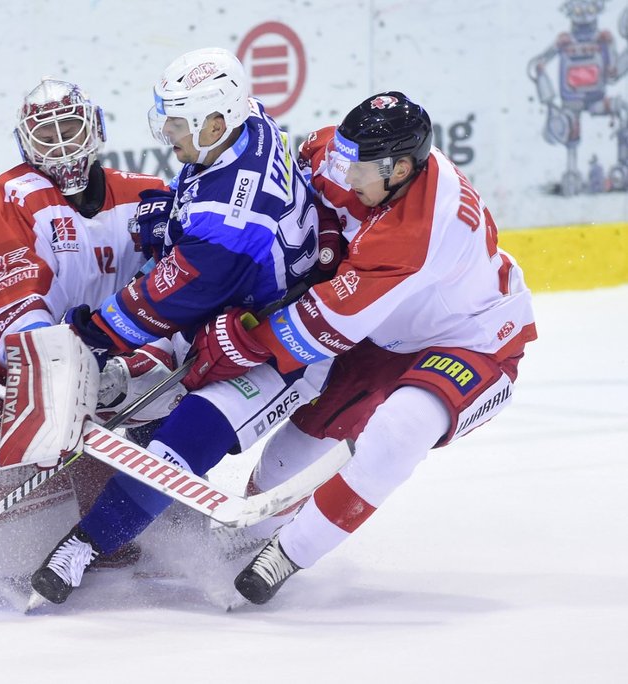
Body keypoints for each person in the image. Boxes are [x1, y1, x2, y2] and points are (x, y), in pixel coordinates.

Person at [180, 91, 538, 605]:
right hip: (387, 331)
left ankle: (291, 553)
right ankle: (251, 539)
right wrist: (321, 231)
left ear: (400, 170)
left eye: (359, 168)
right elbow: (298, 187)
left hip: (476, 340)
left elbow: (323, 324)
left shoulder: (418, 232)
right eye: (343, 158)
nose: (345, 175)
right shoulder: (343, 154)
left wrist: (244, 341)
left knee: (400, 430)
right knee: (289, 460)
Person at [26, 47, 335, 605]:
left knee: (180, 444)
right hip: (241, 305)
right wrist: (172, 218)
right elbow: (203, 221)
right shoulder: (246, 121)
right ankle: (145, 490)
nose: (166, 131)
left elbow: (159, 301)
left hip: (285, 349)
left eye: (176, 119)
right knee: (145, 397)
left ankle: (85, 545)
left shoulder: (230, 224)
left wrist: (91, 335)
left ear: (216, 121)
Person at [0, 78, 171, 547]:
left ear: (96, 129)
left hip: (88, 372)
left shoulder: (149, 196)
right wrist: (59, 370)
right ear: (26, 145)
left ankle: (159, 509)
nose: (62, 145)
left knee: (166, 395)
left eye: (70, 128)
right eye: (47, 135)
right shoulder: (16, 193)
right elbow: (15, 296)